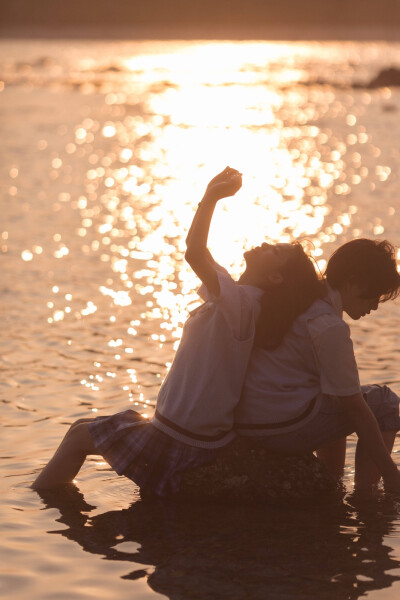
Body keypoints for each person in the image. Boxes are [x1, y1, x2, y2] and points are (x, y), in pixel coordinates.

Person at [32, 167, 323, 494]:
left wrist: (211, 197)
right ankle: (51, 504)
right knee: (79, 427)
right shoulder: (237, 299)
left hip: (184, 440)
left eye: (276, 251)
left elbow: (194, 252)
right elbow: (203, 259)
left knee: (77, 439)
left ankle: (37, 506)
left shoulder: (246, 305)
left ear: (276, 279)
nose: (268, 243)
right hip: (175, 428)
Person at [234, 238, 400, 493]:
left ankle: (331, 481)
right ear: (353, 281)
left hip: (251, 418)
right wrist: (391, 473)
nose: (375, 305)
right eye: (374, 294)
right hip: (279, 428)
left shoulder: (297, 297)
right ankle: (367, 496)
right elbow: (355, 408)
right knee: (385, 402)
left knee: (334, 394)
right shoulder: (328, 325)